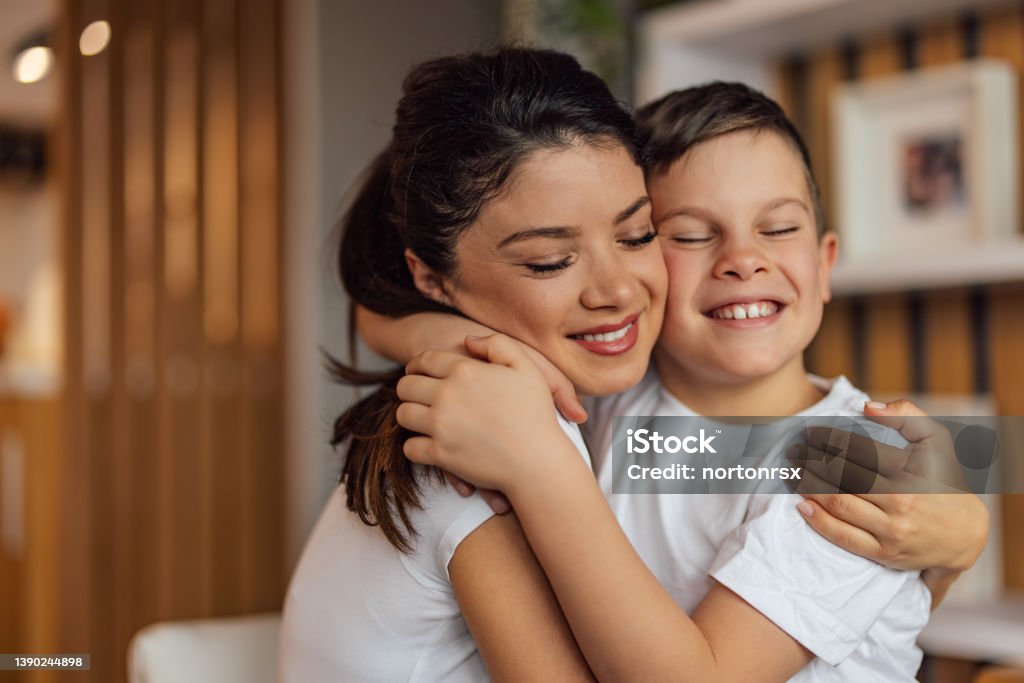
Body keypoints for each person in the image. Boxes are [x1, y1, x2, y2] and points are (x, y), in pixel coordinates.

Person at [371, 82, 989, 680]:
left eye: (777, 229)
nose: (743, 259)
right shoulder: (611, 394)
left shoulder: (858, 464)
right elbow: (373, 312)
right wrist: (465, 344)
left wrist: (538, 467)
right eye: (689, 235)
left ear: (825, 265)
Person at [278, 47, 667, 681]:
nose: (617, 290)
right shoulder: (485, 436)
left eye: (638, 235)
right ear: (431, 280)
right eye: (549, 262)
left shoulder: (602, 395)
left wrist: (883, 467)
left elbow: (748, 449)